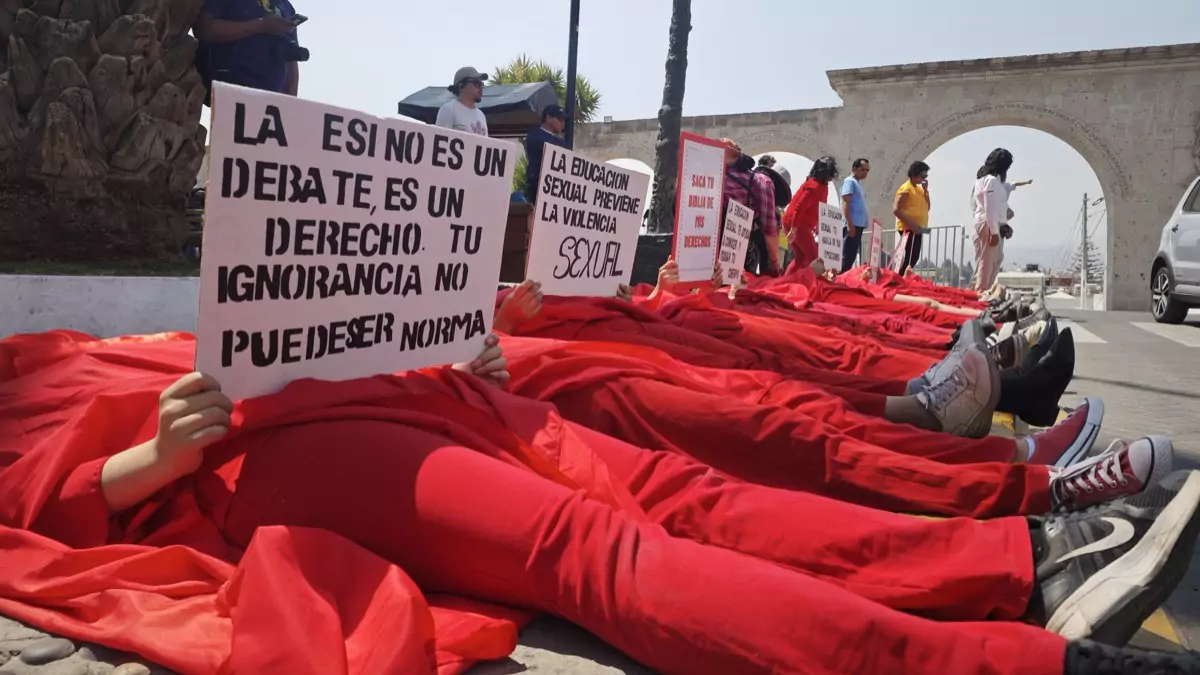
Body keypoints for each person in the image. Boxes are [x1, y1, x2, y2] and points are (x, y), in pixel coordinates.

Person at [6, 332, 1200, 675]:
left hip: (389, 385)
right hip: (247, 453)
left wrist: (436, 347)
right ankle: (1005, 656)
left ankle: (1016, 555)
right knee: (595, 551)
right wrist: (143, 467)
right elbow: (33, 505)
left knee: (689, 484)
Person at [194, 0, 305, 98]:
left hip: (272, 100)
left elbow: (292, 57)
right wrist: (261, 26)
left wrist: (289, 101)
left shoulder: (286, 6)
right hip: (230, 88)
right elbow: (204, 28)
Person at [720, 139, 781, 276]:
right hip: (740, 249)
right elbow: (769, 228)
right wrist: (774, 262)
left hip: (705, 250)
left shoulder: (703, 179)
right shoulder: (761, 181)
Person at [782, 157, 839, 273]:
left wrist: (818, 223)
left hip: (797, 223)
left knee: (800, 257)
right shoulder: (813, 186)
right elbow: (799, 207)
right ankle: (815, 286)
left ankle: (786, 282)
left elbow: (821, 205)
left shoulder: (823, 186)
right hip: (797, 223)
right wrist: (794, 229)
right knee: (814, 258)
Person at [971, 149, 1014, 291]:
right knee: (986, 264)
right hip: (988, 225)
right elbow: (989, 209)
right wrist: (994, 232)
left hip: (991, 224)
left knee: (992, 263)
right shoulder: (991, 181)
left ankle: (981, 294)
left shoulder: (986, 180)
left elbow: (995, 208)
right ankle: (979, 296)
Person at [523, 105, 569, 202]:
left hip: (557, 191)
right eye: (560, 119)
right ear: (548, 118)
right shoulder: (535, 136)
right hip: (539, 188)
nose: (563, 123)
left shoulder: (560, 142)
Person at [894, 161, 932, 276]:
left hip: (917, 229)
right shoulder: (906, 188)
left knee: (913, 257)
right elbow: (896, 209)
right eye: (922, 176)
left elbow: (927, 207)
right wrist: (911, 225)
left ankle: (902, 278)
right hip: (908, 228)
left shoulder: (919, 189)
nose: (924, 179)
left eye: (926, 177)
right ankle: (899, 278)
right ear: (915, 174)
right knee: (911, 257)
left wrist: (926, 191)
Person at [436, 67, 489, 136]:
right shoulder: (448, 110)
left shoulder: (481, 115)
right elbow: (439, 140)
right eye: (476, 83)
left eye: (481, 84)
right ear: (461, 86)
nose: (481, 88)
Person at [840, 158, 871, 273]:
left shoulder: (857, 184)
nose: (865, 173)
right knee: (847, 257)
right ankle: (839, 282)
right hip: (852, 224)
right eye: (863, 170)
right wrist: (849, 224)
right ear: (854, 168)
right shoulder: (849, 182)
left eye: (867, 170)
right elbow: (845, 202)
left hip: (858, 225)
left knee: (851, 257)